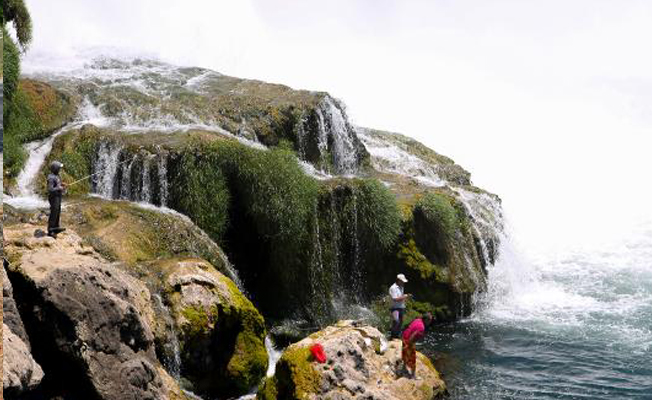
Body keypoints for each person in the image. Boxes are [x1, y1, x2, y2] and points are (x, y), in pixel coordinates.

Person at [401, 312, 433, 378]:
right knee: (412, 358)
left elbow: (409, 326)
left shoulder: (417, 320)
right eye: (430, 320)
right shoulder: (422, 327)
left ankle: (404, 367)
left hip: (404, 335)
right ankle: (413, 375)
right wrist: (409, 344)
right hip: (409, 340)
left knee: (405, 353)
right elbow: (413, 336)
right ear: (426, 319)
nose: (430, 321)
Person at [47, 161, 67, 238]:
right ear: (55, 168)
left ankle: (56, 227)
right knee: (53, 213)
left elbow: (58, 184)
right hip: (53, 197)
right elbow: (50, 189)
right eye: (59, 168)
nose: (60, 169)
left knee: (58, 211)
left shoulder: (57, 175)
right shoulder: (51, 178)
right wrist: (60, 188)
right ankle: (50, 230)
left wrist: (62, 184)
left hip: (58, 196)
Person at [389, 273, 411, 339]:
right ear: (398, 280)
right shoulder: (393, 288)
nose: (403, 283)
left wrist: (405, 297)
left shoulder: (401, 287)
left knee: (400, 322)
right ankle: (392, 335)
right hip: (394, 308)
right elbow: (395, 299)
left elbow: (400, 297)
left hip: (401, 307)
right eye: (402, 281)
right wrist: (405, 296)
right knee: (396, 321)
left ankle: (397, 336)